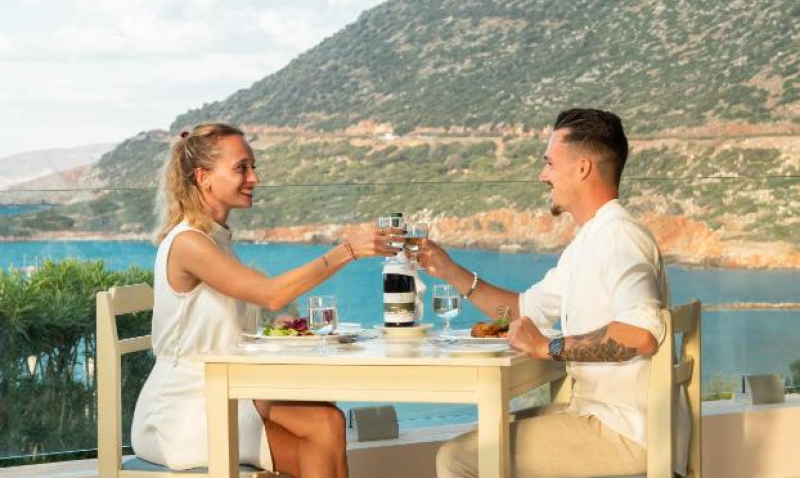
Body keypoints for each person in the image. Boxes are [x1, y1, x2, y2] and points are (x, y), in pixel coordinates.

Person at [418, 109, 689, 477]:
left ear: (582, 168)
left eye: (549, 163)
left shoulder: (619, 238)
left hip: (626, 431)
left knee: (458, 457)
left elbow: (640, 334)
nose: (542, 175)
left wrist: (548, 347)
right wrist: (451, 272)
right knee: (485, 436)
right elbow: (521, 309)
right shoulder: (589, 242)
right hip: (599, 416)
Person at [131, 122, 401, 478]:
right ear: (203, 178)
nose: (254, 178)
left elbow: (242, 315)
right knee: (321, 428)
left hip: (228, 389)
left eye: (253, 167)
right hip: (183, 411)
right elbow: (271, 294)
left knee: (329, 419)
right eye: (241, 168)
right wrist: (347, 250)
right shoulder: (188, 243)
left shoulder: (216, 240)